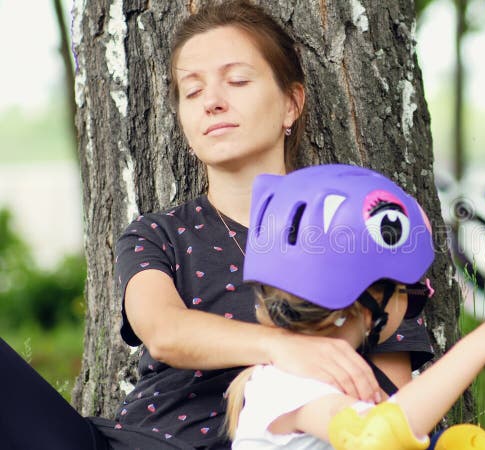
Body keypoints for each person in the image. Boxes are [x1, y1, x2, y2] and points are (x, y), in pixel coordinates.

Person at [0, 2, 432, 449]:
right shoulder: (158, 233)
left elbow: (388, 403)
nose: (213, 101)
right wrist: (283, 347)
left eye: (238, 80)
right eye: (192, 90)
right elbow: (165, 332)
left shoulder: (356, 223)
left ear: (291, 103)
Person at [225, 164, 485, 449]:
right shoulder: (289, 383)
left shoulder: (327, 377)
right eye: (411, 294)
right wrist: (477, 347)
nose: (411, 305)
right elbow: (377, 438)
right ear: (367, 309)